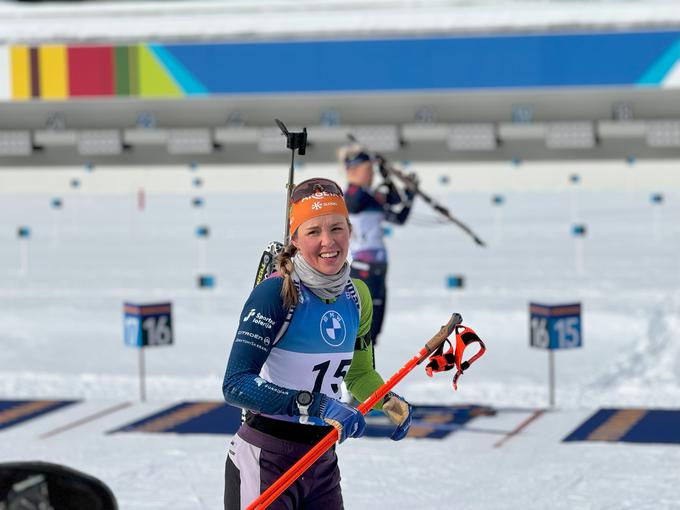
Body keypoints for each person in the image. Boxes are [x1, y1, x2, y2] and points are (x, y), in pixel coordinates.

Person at [222, 177, 413, 510]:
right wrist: (317, 405)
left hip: (321, 460)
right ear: (295, 239)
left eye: (337, 228)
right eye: (313, 232)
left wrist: (387, 400)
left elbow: (359, 373)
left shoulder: (358, 295)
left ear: (350, 231)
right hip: (267, 458)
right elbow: (236, 384)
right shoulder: (276, 293)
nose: (329, 242)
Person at [341, 146, 417, 345]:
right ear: (352, 171)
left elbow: (399, 217)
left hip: (378, 267)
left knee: (377, 322)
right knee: (367, 322)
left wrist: (409, 196)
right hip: (363, 267)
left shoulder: (369, 197)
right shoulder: (352, 196)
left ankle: (370, 363)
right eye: (368, 170)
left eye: (372, 171)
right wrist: (392, 186)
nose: (371, 174)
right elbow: (367, 201)